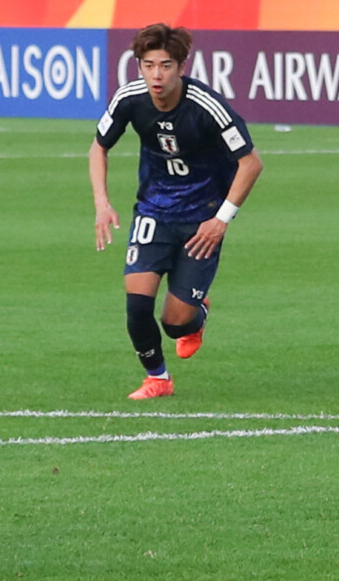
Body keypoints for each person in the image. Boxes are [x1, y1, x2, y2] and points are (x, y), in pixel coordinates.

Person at [88, 23, 263, 400]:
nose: (156, 74)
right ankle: (158, 379)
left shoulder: (207, 106)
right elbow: (98, 147)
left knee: (175, 323)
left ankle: (197, 314)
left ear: (181, 66)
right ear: (139, 66)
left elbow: (251, 163)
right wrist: (102, 204)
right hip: (153, 212)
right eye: (148, 65)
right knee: (136, 304)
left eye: (165, 65)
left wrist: (221, 220)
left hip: (203, 219)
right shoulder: (129, 99)